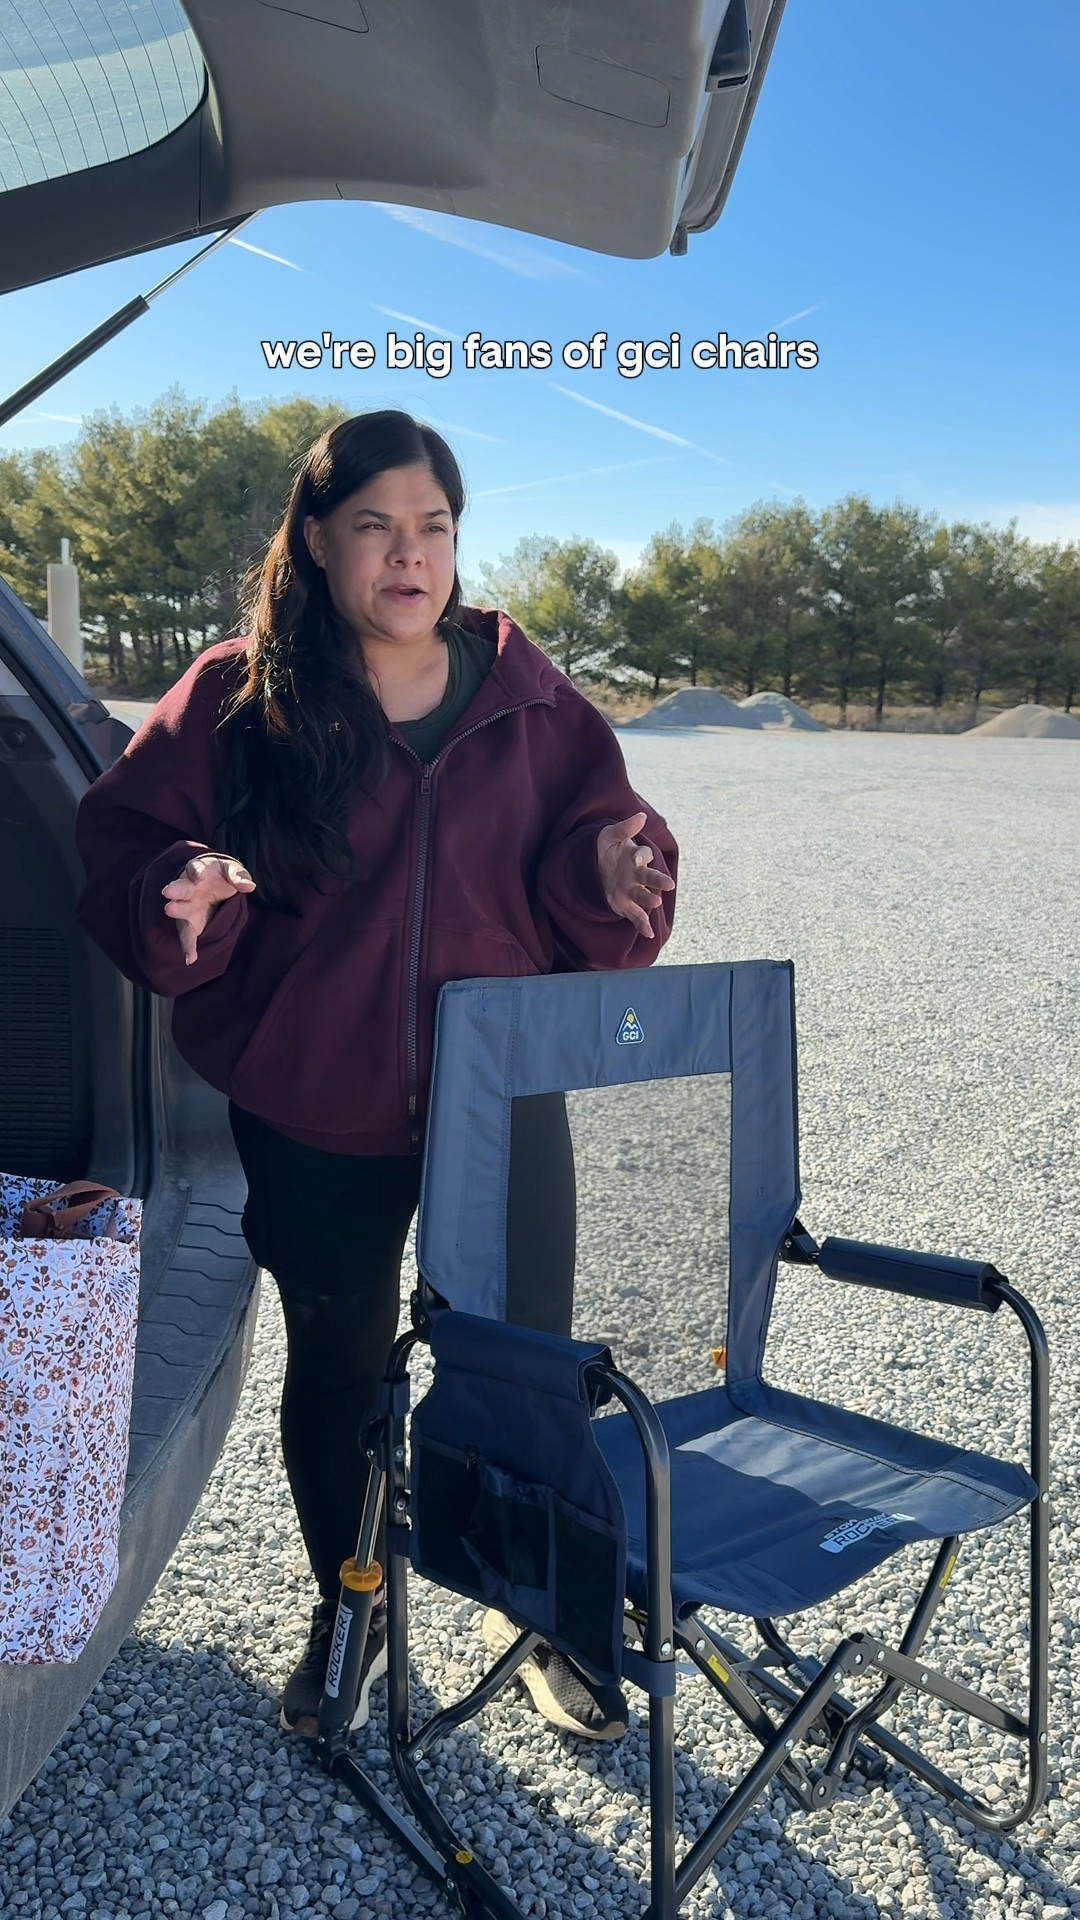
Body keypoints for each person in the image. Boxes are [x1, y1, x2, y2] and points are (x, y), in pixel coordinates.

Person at [75, 409, 677, 1742]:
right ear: (316, 539)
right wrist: (177, 892)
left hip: (500, 1101)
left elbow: (598, 845)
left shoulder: (529, 700)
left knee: (524, 1368)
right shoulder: (239, 695)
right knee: (342, 1369)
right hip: (315, 1108)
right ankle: (351, 1604)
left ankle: (542, 1614)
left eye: (434, 528)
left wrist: (605, 874)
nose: (410, 556)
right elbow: (123, 847)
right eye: (376, 527)